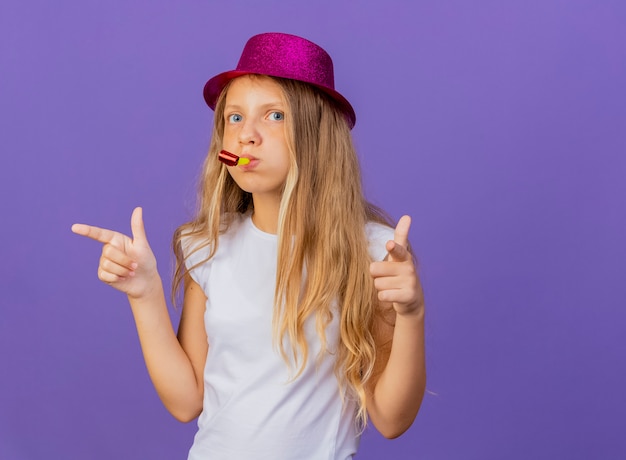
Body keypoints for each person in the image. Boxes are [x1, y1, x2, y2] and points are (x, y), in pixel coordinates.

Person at [72, 32, 426, 459]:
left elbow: (391, 419)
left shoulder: (373, 252)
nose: (246, 136)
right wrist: (144, 293)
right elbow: (187, 402)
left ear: (317, 136)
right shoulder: (207, 245)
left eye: (274, 116)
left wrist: (411, 313)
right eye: (234, 118)